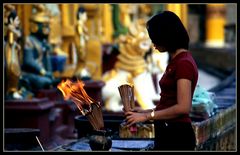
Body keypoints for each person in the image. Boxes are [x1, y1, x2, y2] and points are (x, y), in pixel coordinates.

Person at [124, 11, 198, 151]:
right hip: (167, 132)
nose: (153, 44)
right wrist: (140, 113)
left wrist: (146, 116)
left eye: (155, 39)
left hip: (177, 136)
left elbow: (183, 107)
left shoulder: (183, 64)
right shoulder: (177, 61)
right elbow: (168, 104)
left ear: (166, 37)